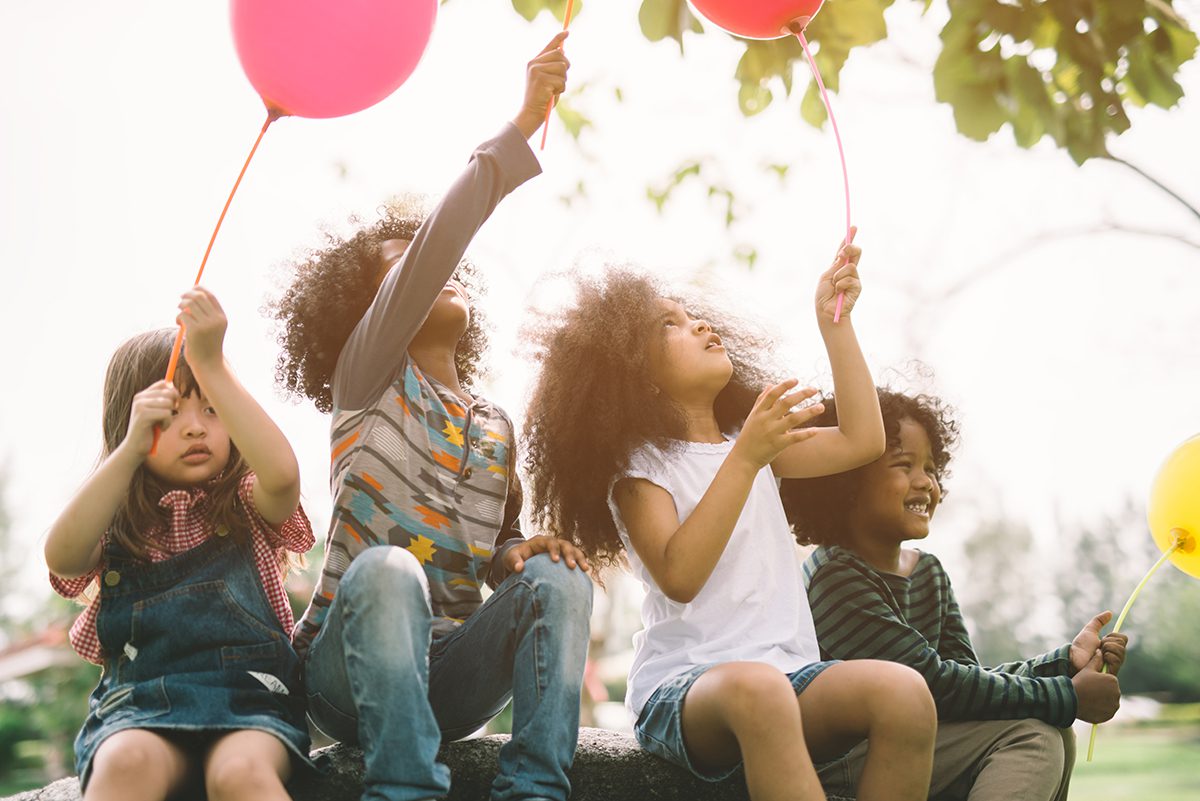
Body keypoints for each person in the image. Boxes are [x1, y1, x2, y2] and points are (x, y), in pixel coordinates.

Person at [269, 33, 593, 801]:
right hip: (348, 677)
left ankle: (536, 788)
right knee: (388, 567)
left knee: (561, 573)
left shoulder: (493, 422)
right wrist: (521, 124)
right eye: (406, 262)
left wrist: (519, 552)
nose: (432, 265)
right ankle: (403, 789)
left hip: (452, 677)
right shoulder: (368, 373)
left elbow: (492, 550)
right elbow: (437, 245)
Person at [521, 232, 938, 801]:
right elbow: (680, 574)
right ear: (631, 374)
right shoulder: (642, 472)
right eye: (669, 324)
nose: (697, 324)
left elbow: (863, 441)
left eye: (692, 315)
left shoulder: (751, 444)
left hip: (789, 676)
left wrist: (835, 326)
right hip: (686, 688)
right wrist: (748, 457)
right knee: (760, 691)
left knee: (905, 694)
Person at [780, 388, 1128, 801]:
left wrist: (1062, 665)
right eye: (903, 465)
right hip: (847, 761)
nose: (925, 482)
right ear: (846, 481)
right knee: (1033, 735)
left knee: (1050, 731)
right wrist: (1066, 696)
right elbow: (933, 684)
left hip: (919, 743)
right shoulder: (834, 576)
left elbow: (966, 680)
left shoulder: (927, 572)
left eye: (930, 467)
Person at [45, 288, 316, 801]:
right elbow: (62, 558)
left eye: (212, 409)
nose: (195, 427)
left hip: (250, 699)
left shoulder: (244, 502)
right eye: (169, 416)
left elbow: (283, 476)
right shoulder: (118, 519)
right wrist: (129, 450)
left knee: (239, 774)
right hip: (137, 707)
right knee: (125, 764)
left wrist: (209, 363)